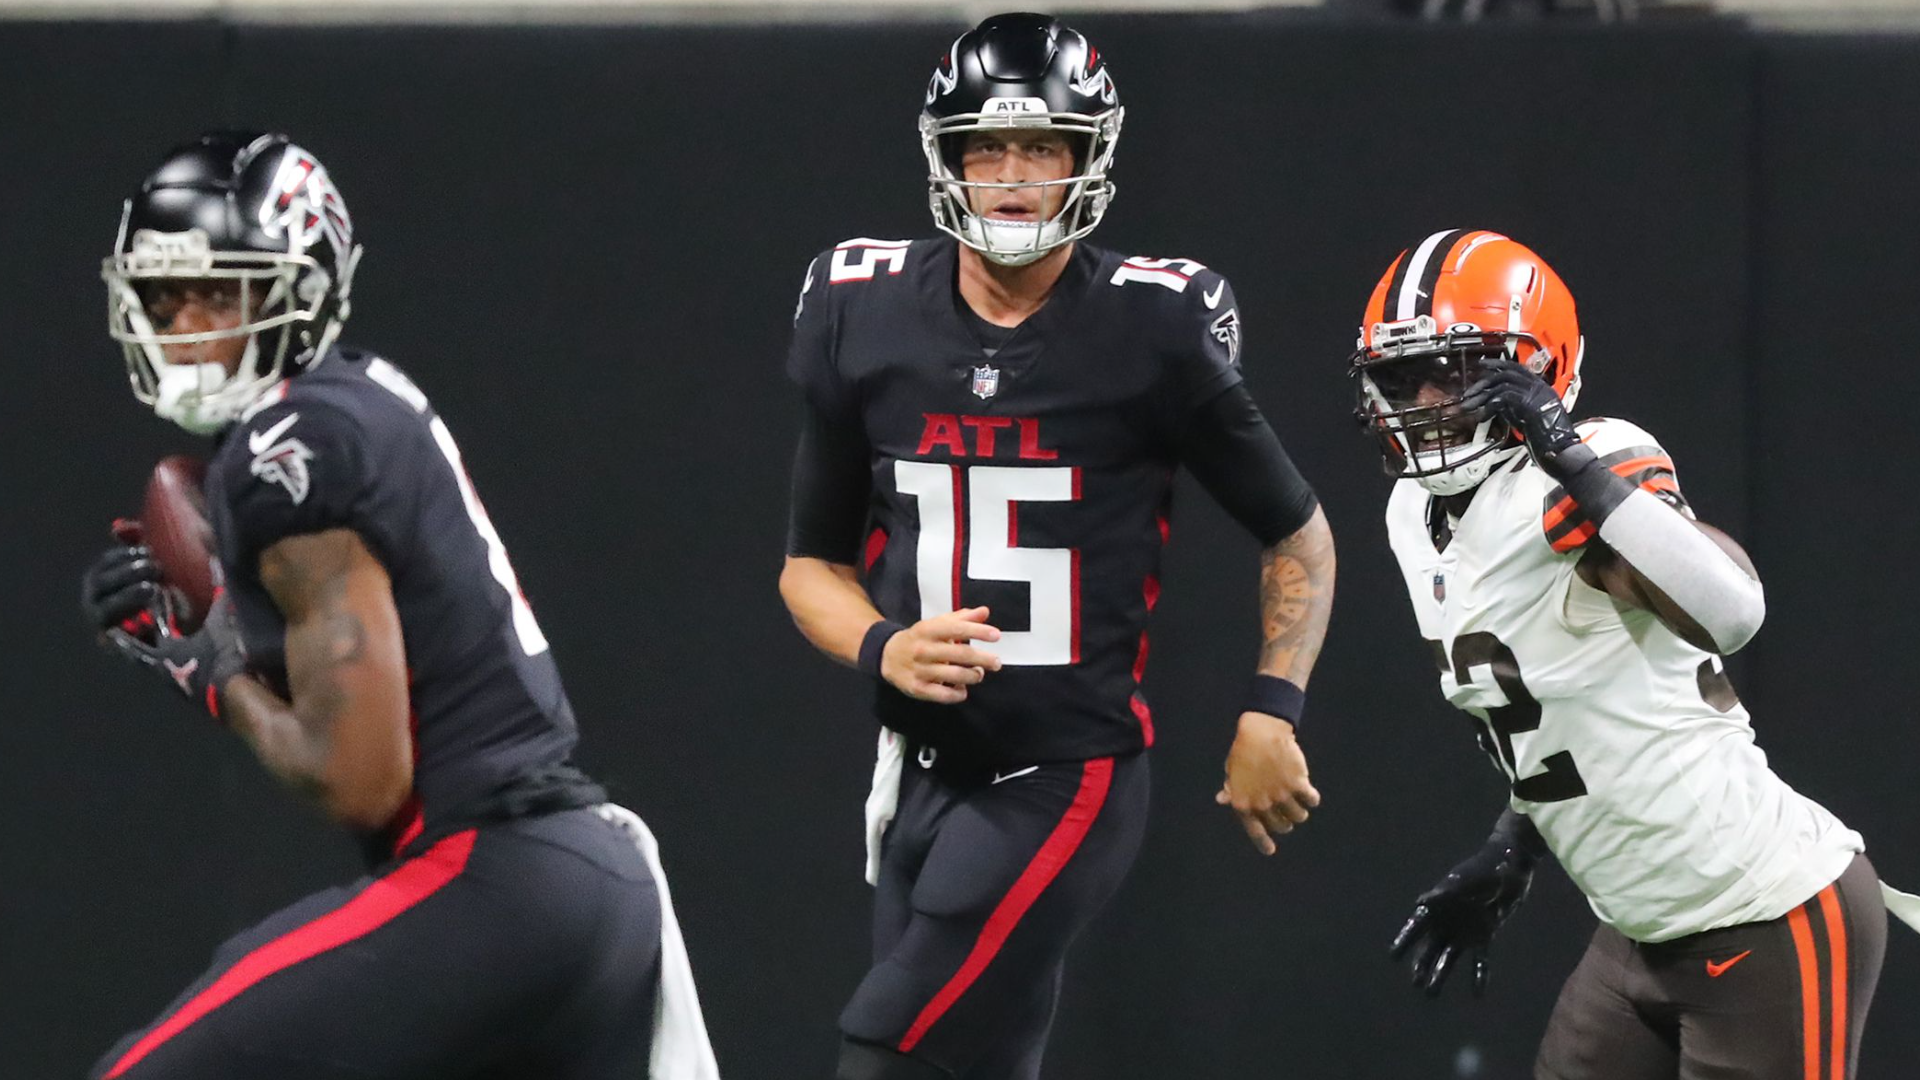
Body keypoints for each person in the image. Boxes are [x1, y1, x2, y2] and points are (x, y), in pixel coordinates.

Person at [79, 131, 716, 1080]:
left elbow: (361, 776)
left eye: (221, 292)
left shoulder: (287, 446)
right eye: (167, 298)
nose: (187, 327)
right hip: (579, 891)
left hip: (499, 880)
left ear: (300, 289)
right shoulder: (358, 396)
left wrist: (207, 669)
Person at [777, 15, 1335, 1080]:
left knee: (883, 1046)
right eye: (988, 148)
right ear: (948, 160)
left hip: (1062, 777)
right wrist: (880, 647)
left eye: (1045, 148)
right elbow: (811, 565)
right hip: (918, 773)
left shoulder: (1153, 327)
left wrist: (1275, 707)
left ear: (1089, 158)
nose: (1015, 176)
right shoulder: (863, 311)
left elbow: (1295, 529)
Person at [1355, 228, 1887, 1078]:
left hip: (1768, 913)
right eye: (1398, 377)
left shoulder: (1577, 474)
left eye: (1455, 373)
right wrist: (1515, 842)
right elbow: (1568, 697)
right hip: (1636, 929)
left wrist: (1569, 457)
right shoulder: (1409, 515)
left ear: (1536, 371)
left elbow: (1733, 610)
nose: (1421, 399)